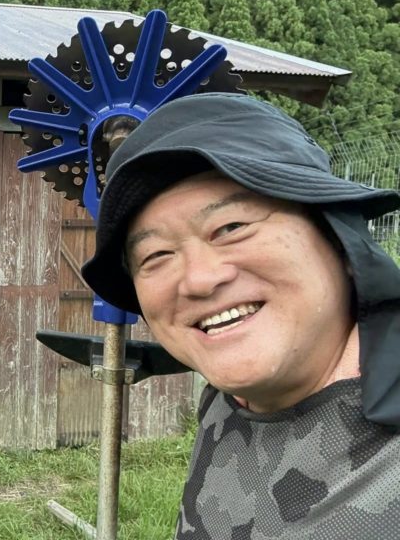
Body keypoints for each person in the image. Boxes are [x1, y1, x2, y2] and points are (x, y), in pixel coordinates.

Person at [80, 92, 400, 539]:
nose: (198, 280)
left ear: (340, 238)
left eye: (231, 227)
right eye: (156, 255)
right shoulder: (228, 403)